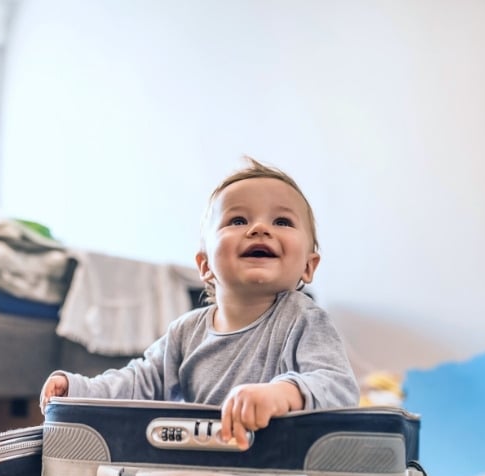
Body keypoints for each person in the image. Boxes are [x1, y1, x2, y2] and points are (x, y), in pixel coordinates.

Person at [40, 157, 359, 449]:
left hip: (277, 470)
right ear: (204, 265)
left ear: (308, 265)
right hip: (196, 466)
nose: (259, 228)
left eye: (282, 222)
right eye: (237, 220)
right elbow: (138, 382)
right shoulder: (185, 331)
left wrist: (283, 393)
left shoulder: (304, 319)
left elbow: (339, 387)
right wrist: (79, 390)